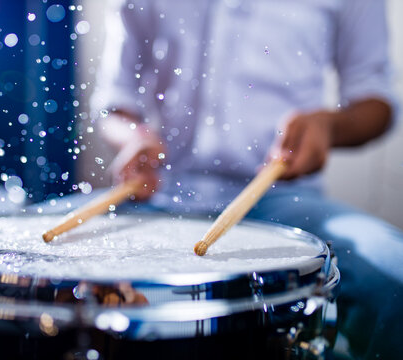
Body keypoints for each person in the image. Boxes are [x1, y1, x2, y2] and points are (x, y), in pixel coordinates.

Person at [90, 0, 402, 359]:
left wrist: (328, 126)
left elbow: (376, 100)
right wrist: (134, 137)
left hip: (285, 199)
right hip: (159, 195)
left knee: (396, 274)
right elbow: (115, 104)